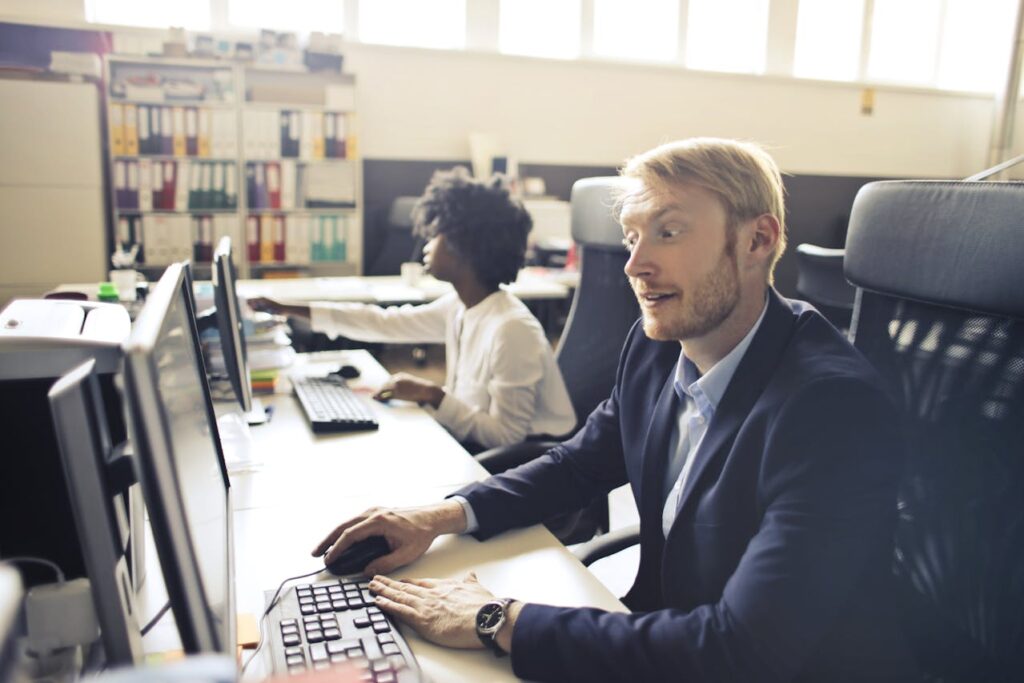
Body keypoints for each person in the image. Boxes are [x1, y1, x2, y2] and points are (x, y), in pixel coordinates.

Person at [311, 139, 915, 682]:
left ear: (758, 240)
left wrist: (498, 619)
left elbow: (742, 650)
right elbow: (578, 466)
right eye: (632, 237)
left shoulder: (831, 409)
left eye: (669, 232)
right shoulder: (657, 349)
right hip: (656, 642)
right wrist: (435, 518)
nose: (635, 264)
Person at [251, 167, 575, 450]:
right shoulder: (461, 307)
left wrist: (433, 395)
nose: (427, 245)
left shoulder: (511, 329)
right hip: (475, 445)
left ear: (465, 248)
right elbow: (383, 322)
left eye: (437, 235)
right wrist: (290, 308)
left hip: (524, 465)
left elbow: (506, 438)